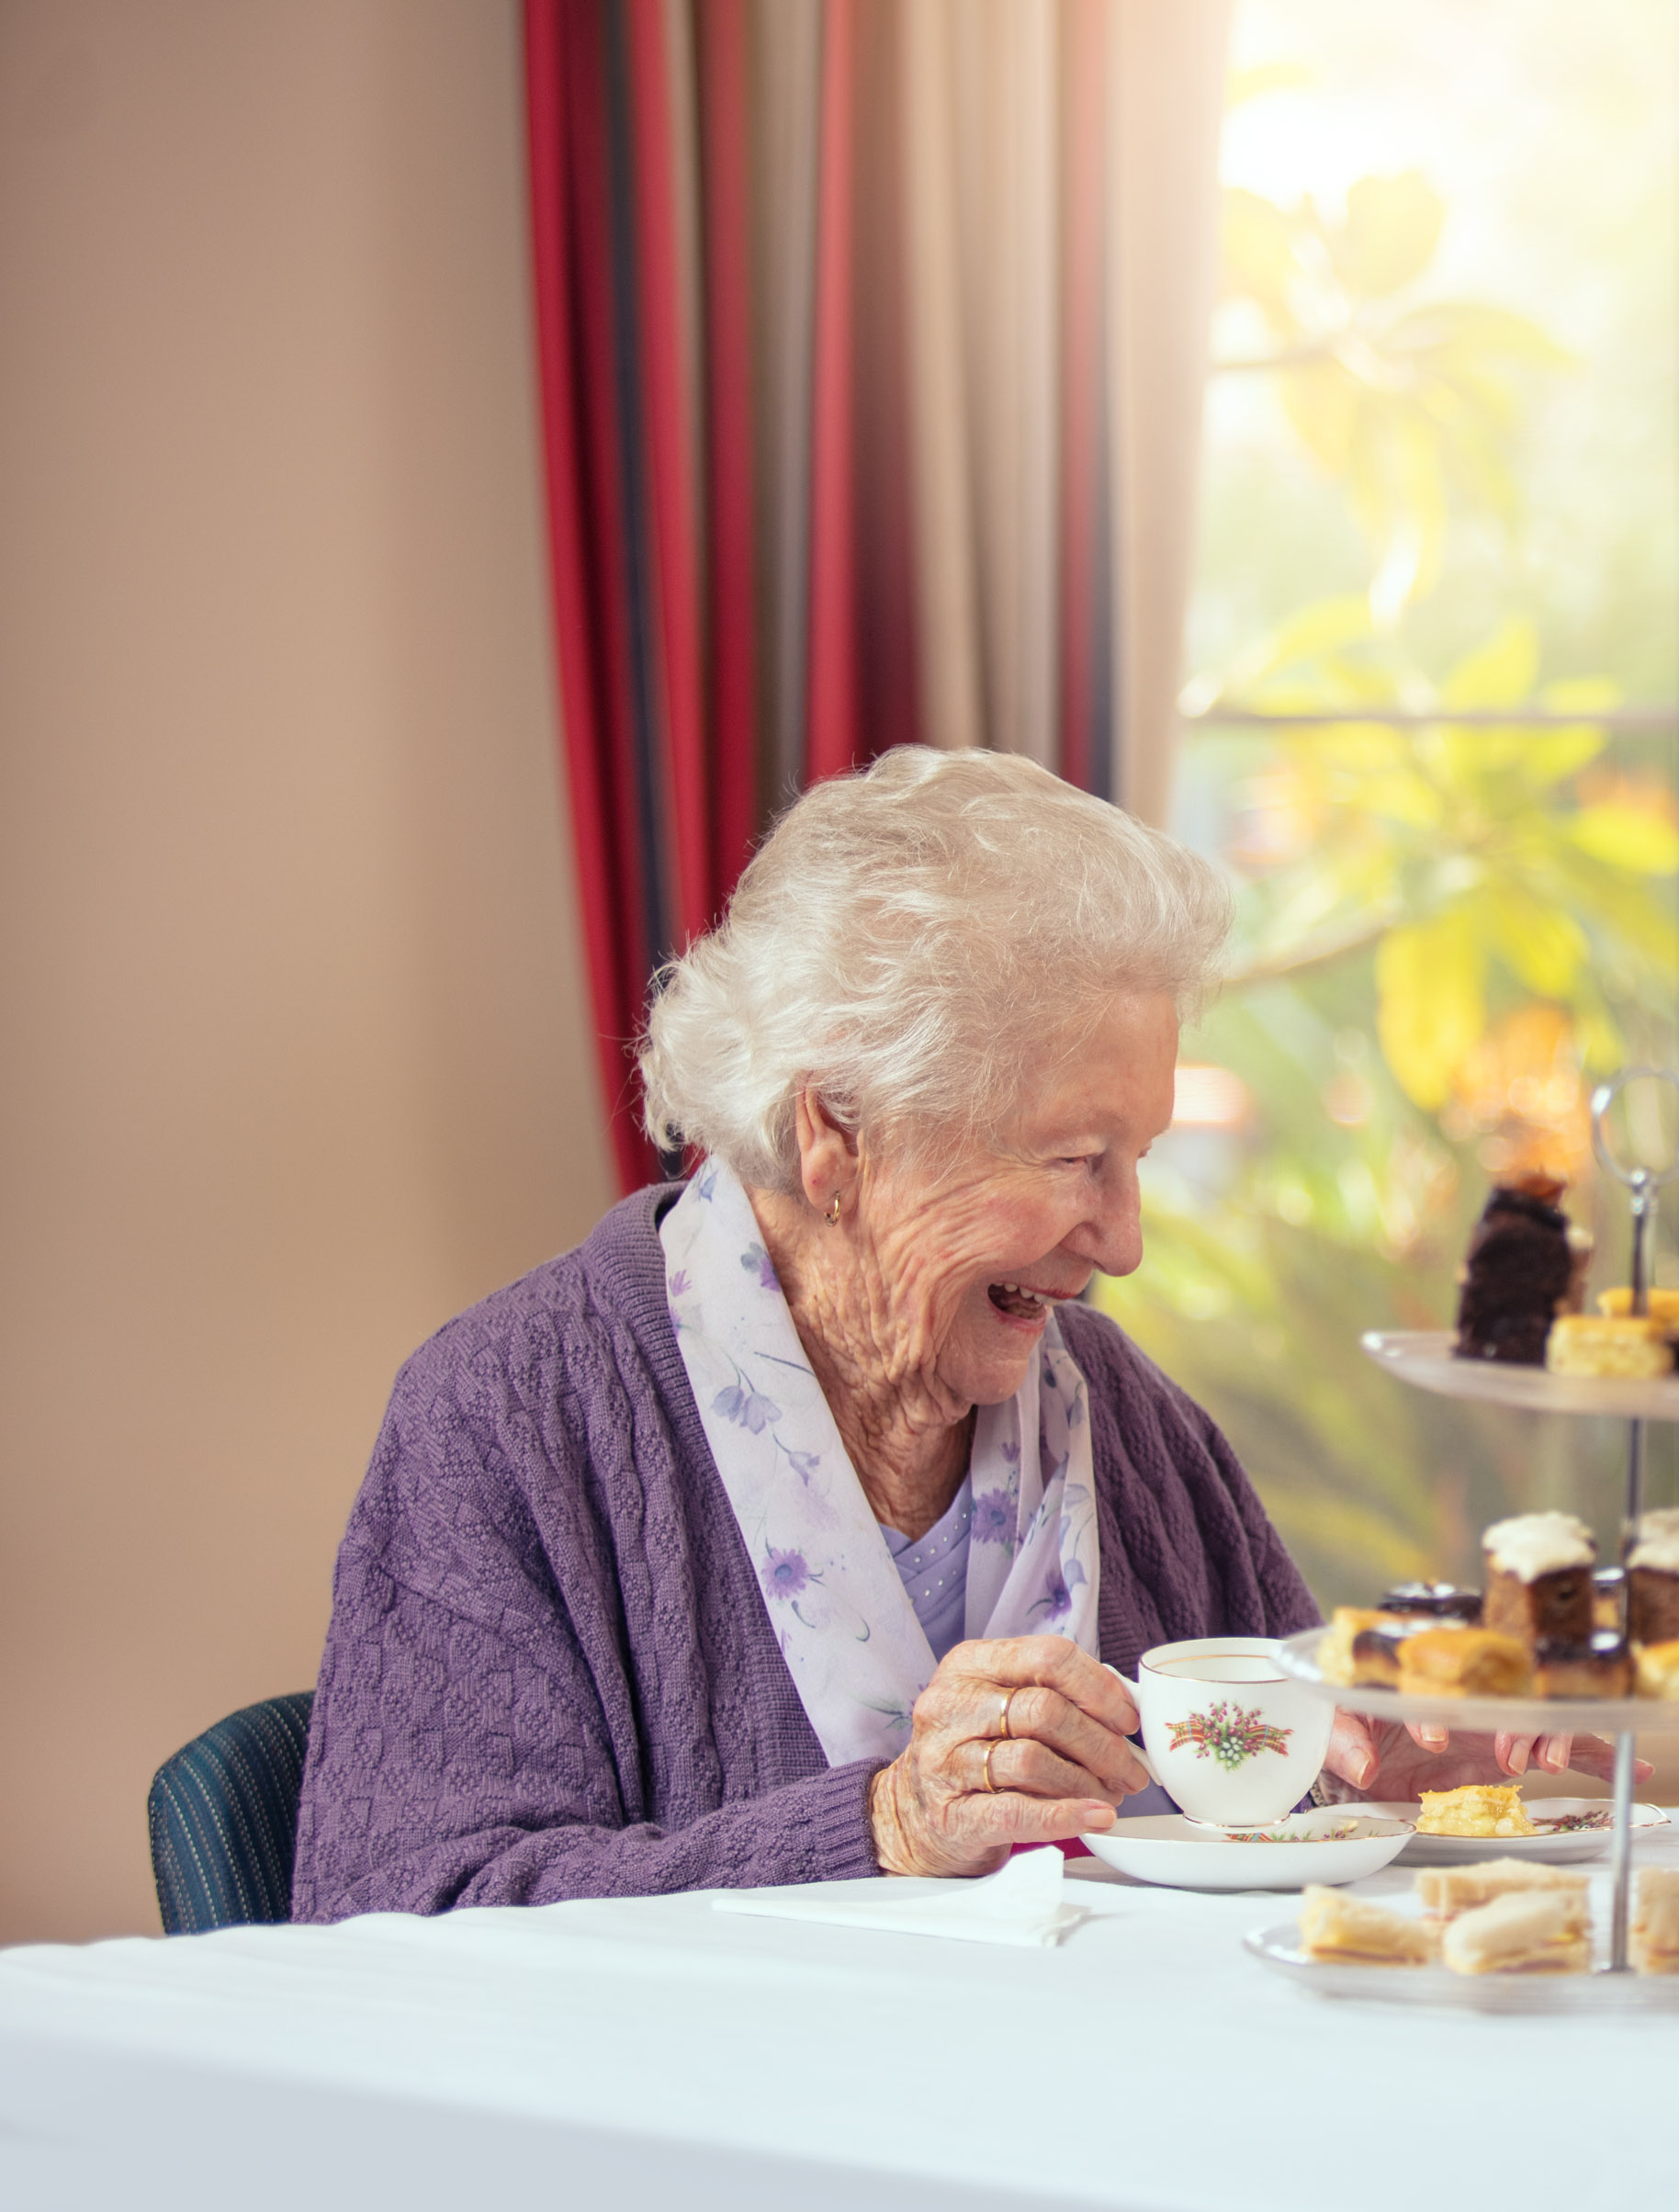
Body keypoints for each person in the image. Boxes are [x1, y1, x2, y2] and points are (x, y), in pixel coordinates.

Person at [295, 748, 1591, 1918]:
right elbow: (394, 1927)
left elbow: (1248, 1829)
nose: (1125, 1239)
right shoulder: (509, 1423)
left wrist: (1380, 1787)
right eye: (1077, 1157)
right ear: (836, 1132)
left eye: (1137, 1158)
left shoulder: (1125, 1424)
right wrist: (884, 1825)